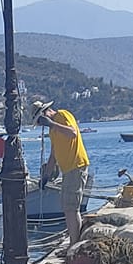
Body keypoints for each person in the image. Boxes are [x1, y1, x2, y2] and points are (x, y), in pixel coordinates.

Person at [34, 99, 88, 240]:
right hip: (67, 170)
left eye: (40, 121)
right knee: (67, 207)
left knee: (71, 207)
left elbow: (72, 133)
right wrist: (46, 176)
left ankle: (74, 242)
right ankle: (74, 239)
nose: (41, 125)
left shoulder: (62, 115)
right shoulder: (53, 131)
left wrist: (52, 124)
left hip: (76, 165)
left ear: (45, 114)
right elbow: (54, 154)